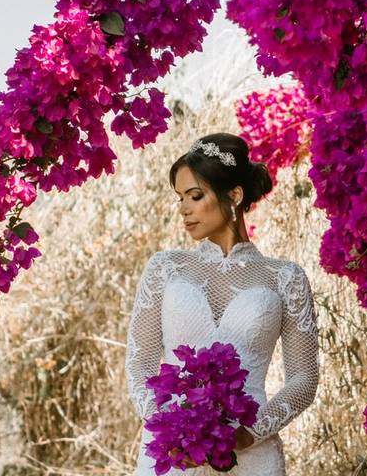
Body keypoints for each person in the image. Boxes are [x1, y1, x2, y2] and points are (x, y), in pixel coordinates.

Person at [125, 132, 319, 475]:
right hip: (172, 457)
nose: (183, 209)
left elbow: (303, 377)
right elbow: (139, 363)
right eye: (180, 197)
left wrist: (250, 434)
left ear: (235, 195)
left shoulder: (285, 278)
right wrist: (170, 429)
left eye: (195, 196)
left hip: (252, 455)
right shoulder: (165, 268)